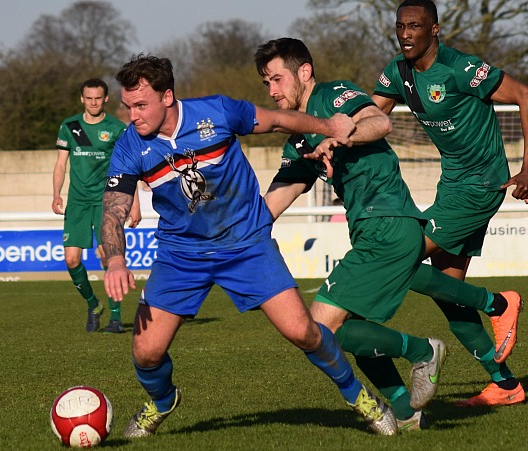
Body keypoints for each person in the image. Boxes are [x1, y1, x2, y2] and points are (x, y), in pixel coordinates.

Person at [101, 54, 399, 437]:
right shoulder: (129, 147)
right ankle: (162, 402)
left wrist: (328, 126)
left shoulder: (219, 112)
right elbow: (113, 210)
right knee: (146, 352)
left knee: (303, 333)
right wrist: (114, 261)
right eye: (127, 107)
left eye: (141, 105)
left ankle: (359, 396)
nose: (132, 116)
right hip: (182, 254)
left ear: (168, 97)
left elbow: (277, 120)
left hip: (245, 243)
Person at [255, 37, 522, 430]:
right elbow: (276, 201)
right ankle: (406, 411)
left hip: (389, 224)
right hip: (370, 232)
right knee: (352, 328)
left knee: (318, 327)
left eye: (277, 79)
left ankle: (423, 350)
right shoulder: (299, 137)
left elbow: (380, 122)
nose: (273, 90)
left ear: (305, 72)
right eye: (267, 84)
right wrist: (230, 231)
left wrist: (341, 133)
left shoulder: (332, 95)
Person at [371, 0, 528, 406]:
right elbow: (368, 119)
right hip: (452, 185)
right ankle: (505, 385)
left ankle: (500, 305)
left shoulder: (461, 68)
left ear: (435, 29)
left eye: (415, 26)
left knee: (403, 255)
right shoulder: (398, 72)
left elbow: (527, 96)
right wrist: (328, 138)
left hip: (481, 185)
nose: (406, 33)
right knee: (447, 290)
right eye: (400, 26)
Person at [53, 78, 141, 334]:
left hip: (106, 201)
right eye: (88, 98)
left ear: (105, 99)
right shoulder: (69, 126)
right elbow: (60, 164)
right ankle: (93, 305)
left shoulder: (116, 128)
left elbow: (129, 169)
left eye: (97, 98)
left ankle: (115, 318)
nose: (93, 102)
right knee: (71, 260)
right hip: (77, 202)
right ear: (82, 99)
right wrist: (56, 193)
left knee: (107, 257)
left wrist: (134, 205)